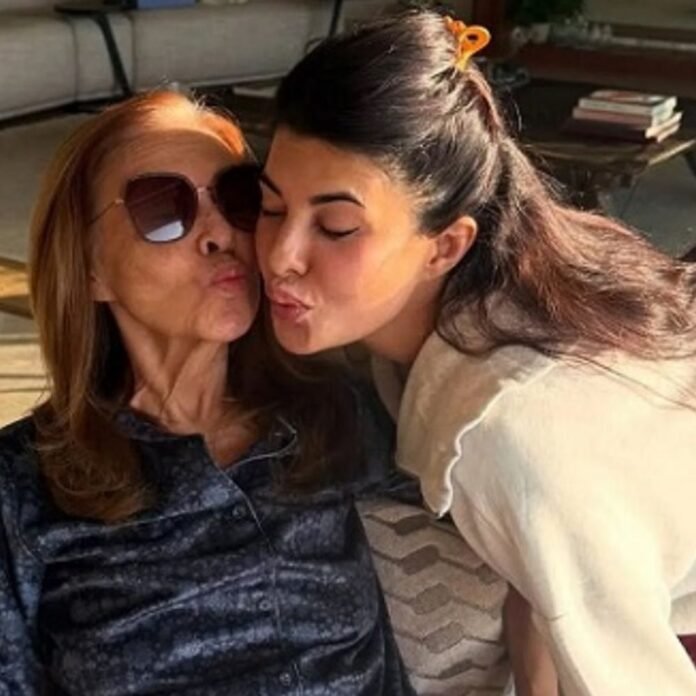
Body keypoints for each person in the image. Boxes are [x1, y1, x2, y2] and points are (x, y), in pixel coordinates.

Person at [255, 11, 696, 696]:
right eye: (270, 208)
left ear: (446, 246)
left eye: (336, 227)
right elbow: (538, 582)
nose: (281, 256)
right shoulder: (492, 287)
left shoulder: (506, 438)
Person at [0, 90, 415, 695]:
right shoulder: (21, 486)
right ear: (90, 268)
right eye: (162, 207)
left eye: (240, 199)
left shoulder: (334, 414)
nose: (220, 232)